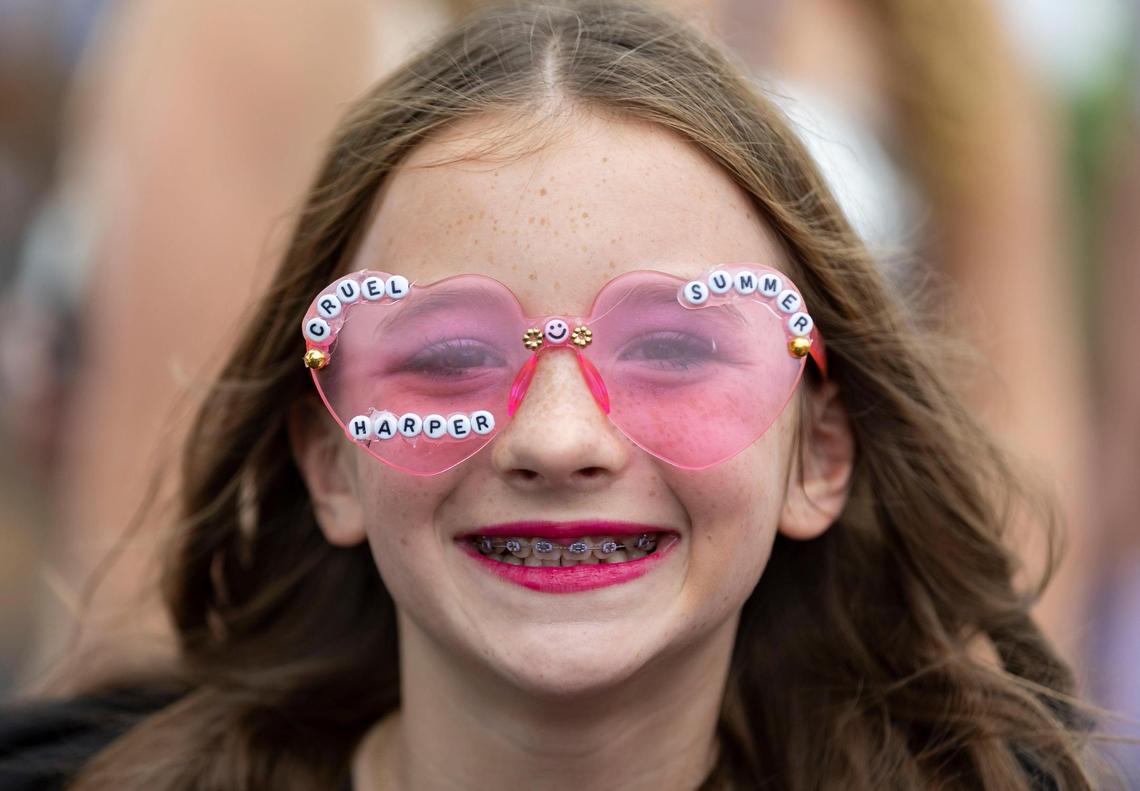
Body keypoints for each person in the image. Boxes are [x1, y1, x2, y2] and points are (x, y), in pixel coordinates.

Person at [0, 2, 1102, 788]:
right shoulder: (260, 28)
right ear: (325, 455)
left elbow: (1027, 438)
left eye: (674, 347)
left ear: (824, 451)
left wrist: (982, 746)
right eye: (443, 354)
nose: (560, 435)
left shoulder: (945, 38)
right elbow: (143, 507)